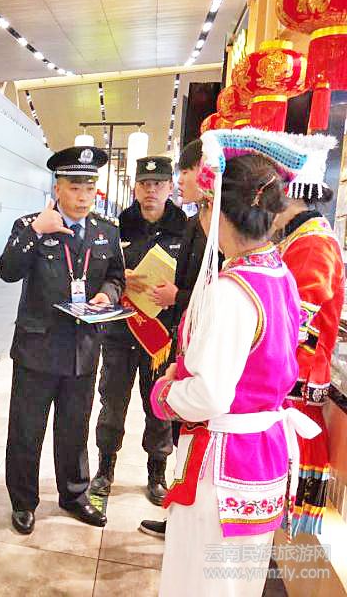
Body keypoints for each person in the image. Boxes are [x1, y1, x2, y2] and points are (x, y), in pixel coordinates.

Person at [151, 129, 321, 597]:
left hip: (224, 465)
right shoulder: (278, 273)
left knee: (202, 582)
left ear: (217, 210)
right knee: (237, 580)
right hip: (261, 457)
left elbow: (208, 395)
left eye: (204, 207)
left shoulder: (231, 291)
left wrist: (165, 393)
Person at [0, 146, 125, 534]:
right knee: (26, 430)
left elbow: (116, 277)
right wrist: (37, 231)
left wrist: (107, 294)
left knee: (74, 429)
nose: (84, 196)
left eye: (89, 188)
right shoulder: (31, 225)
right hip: (37, 347)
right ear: (58, 188)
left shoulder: (106, 230)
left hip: (82, 349)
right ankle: (23, 501)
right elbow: (7, 270)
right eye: (75, 187)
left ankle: (74, 494)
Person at [139, 140, 224, 537]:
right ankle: (180, 513)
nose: (180, 181)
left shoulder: (220, 228)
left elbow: (219, 289)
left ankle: (186, 516)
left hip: (203, 344)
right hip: (181, 338)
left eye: (183, 173)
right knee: (182, 431)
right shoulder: (196, 222)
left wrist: (179, 296)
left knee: (192, 427)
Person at [91, 156, 186, 506]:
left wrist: (177, 294)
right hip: (120, 332)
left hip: (160, 338)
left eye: (158, 184)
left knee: (158, 404)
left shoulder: (187, 229)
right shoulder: (117, 226)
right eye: (145, 184)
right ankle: (105, 468)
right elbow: (97, 273)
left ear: (170, 187)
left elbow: (197, 282)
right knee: (111, 403)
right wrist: (119, 278)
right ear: (135, 188)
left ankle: (156, 472)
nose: (151, 191)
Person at [272, 134, 343, 537]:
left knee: (292, 465)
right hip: (290, 374)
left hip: (295, 377)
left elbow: (299, 321)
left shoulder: (314, 243)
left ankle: (279, 548)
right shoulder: (302, 237)